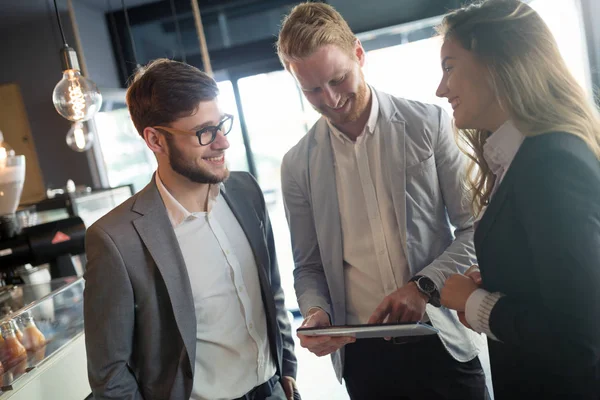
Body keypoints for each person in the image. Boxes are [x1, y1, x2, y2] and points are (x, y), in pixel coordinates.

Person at [277, 3, 487, 399]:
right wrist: (316, 313)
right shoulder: (296, 166)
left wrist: (422, 286)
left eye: (338, 80)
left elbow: (473, 230)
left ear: (359, 54)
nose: (330, 99)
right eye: (312, 90)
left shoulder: (430, 123)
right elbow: (308, 266)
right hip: (364, 359)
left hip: (443, 342)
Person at [83, 59, 299, 400]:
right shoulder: (115, 241)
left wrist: (288, 370)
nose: (223, 143)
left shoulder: (246, 192)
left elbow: (272, 291)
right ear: (155, 140)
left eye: (222, 125)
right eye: (204, 132)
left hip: (272, 390)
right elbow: (110, 373)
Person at [436, 1, 600, 399]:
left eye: (450, 66)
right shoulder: (526, 160)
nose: (441, 89)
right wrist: (499, 282)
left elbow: (582, 336)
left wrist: (475, 302)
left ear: (496, 61)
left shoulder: (551, 161)